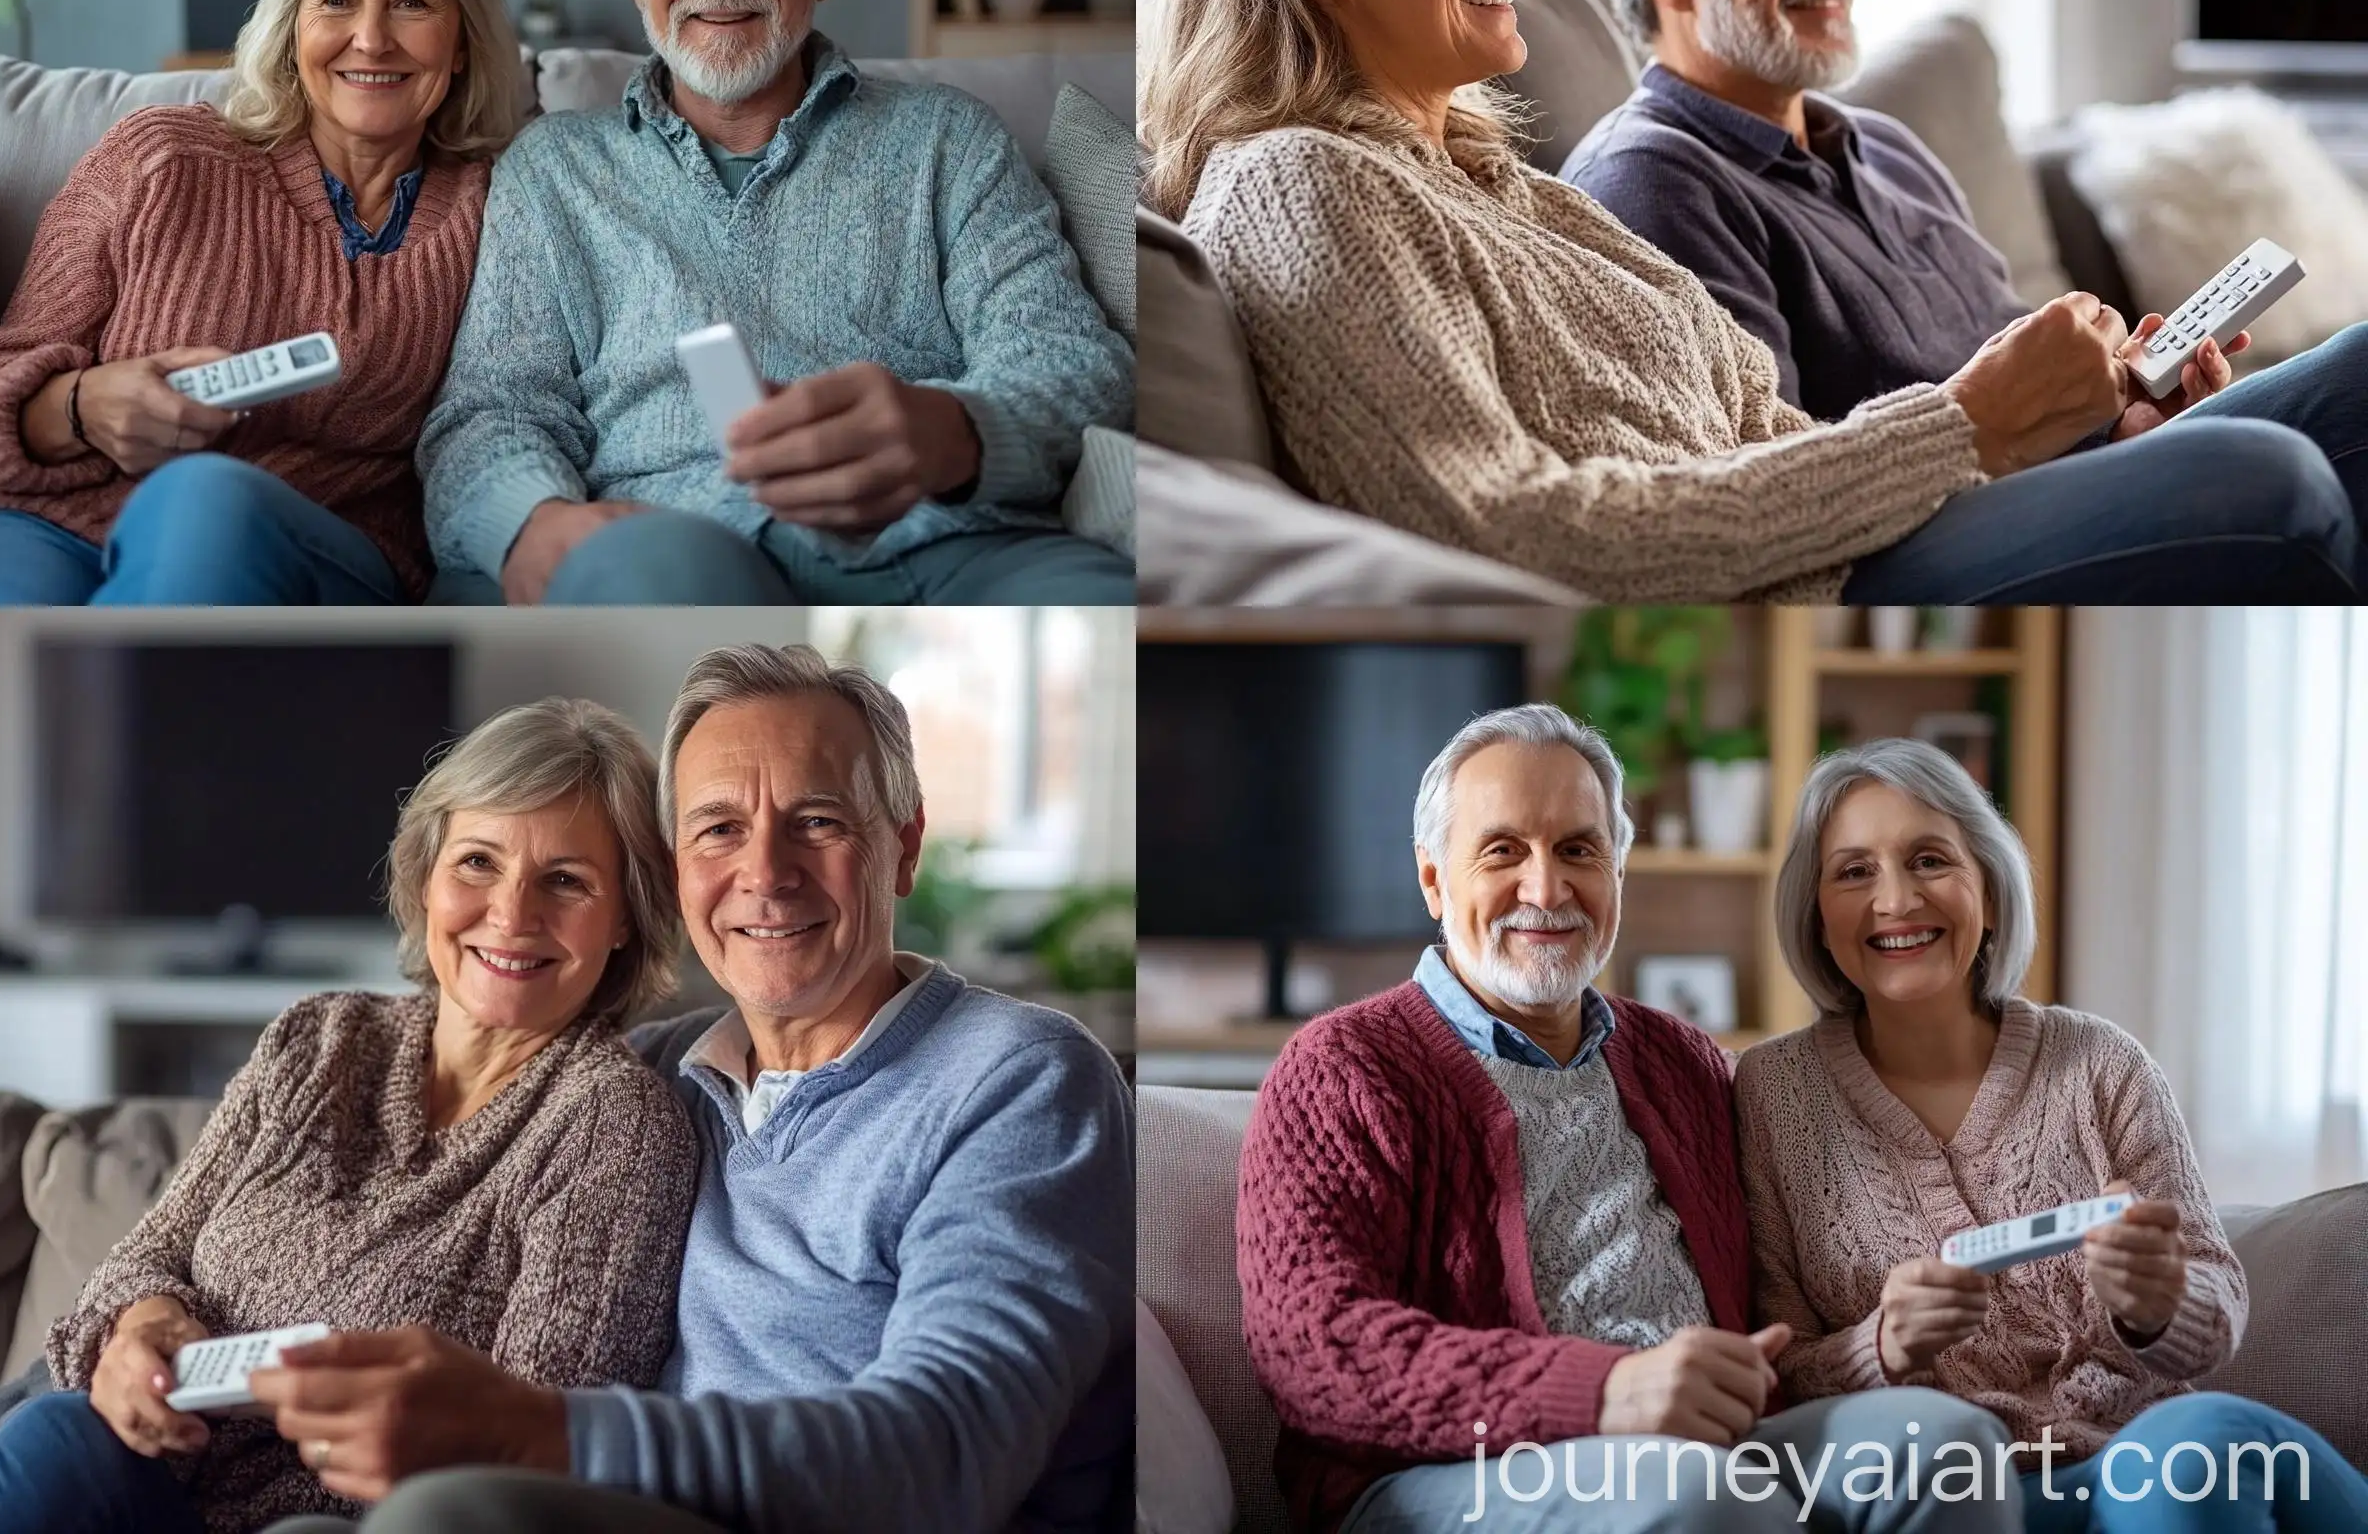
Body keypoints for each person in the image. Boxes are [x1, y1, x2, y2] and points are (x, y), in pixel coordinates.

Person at [1139, 0, 2359, 605]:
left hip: (1878, 531)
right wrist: (1968, 421)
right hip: (1802, 593)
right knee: (2270, 477)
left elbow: (1770, 438)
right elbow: (1503, 527)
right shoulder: (1304, 187)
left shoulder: (1514, 191)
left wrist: (2071, 428)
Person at [247, 642, 1134, 1534]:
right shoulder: (646, 1075)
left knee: (444, 1516)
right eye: (718, 828)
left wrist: (542, 1432)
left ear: (903, 850)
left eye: (818, 822)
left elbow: (950, 1454)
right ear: (674, 871)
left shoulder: (1020, 1077)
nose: (765, 873)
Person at [0, 699, 700, 1534]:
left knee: (62, 1438)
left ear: (625, 921)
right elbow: (150, 1252)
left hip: (214, 1512)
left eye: (566, 881)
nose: (510, 912)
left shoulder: (613, 1126)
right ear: (425, 878)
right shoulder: (321, 1037)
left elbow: (519, 1446)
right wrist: (142, 1323)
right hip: (62, 1437)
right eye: (476, 863)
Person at [1237, 702, 2019, 1533]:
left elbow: (1790, 1279)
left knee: (1946, 1446)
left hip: (1721, 1442)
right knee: (1697, 1495)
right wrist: (1604, 1390)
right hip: (1454, 1471)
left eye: (1579, 849)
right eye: (1504, 851)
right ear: (1434, 878)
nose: (1547, 888)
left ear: (1618, 872)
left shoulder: (1685, 1062)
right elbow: (1311, 1349)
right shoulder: (1342, 1067)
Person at [1563, 0, 2368, 527]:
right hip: (1928, 548)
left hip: (2050, 491)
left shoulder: (1888, 149)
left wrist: (2121, 420)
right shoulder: (1650, 186)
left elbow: (2023, 379)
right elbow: (1770, 500)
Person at [416, 0, 1135, 607]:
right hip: (674, 546)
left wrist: (955, 431)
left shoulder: (949, 140)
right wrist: (533, 521)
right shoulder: (553, 172)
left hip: (944, 543)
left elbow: (1076, 359)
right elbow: (488, 413)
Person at [1736, 739, 2368, 1531]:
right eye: (1854, 871)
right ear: (1816, 916)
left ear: (1991, 894)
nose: (1896, 900)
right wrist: (1883, 1346)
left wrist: (2157, 1302)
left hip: (2146, 1463)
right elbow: (1774, 1359)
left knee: (2194, 1447)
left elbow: (2215, 1299)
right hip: (1953, 1494)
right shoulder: (1770, 1093)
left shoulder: (2100, 1062)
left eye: (1930, 860)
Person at [0, 0, 522, 607]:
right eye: (336, 0)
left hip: (314, 548)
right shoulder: (161, 155)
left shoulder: (502, 209)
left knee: (203, 500)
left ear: (461, 46)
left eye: (412, 4)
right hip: (45, 524)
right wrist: (83, 407)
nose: (371, 37)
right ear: (293, 32)